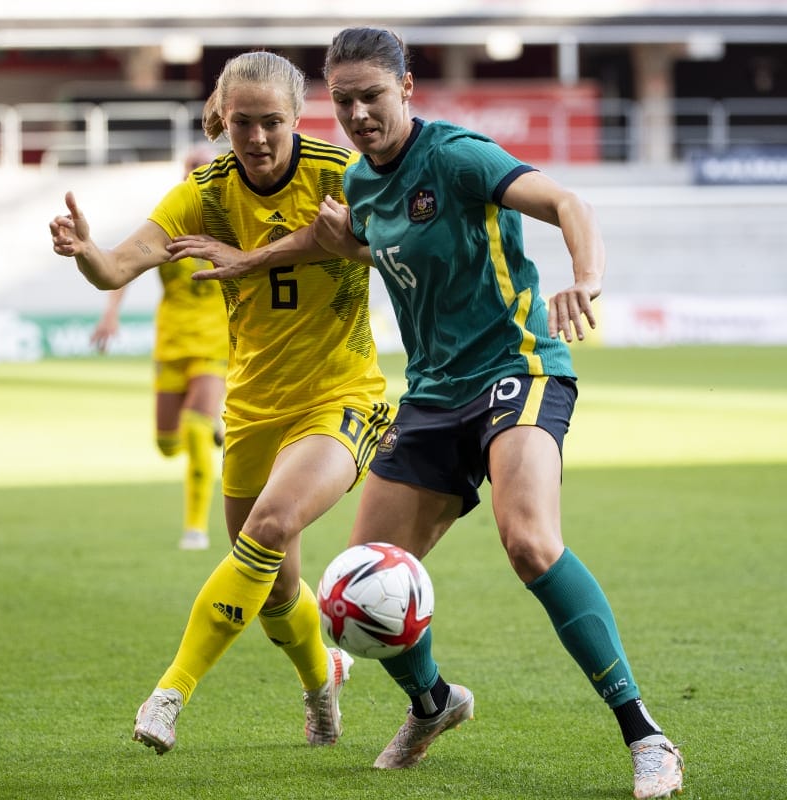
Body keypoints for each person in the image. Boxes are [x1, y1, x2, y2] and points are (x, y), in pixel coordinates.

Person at [179, 27, 685, 800]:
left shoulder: (456, 156)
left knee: (529, 542)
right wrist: (250, 261)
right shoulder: (360, 183)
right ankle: (433, 703)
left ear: (407, 89)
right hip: (433, 395)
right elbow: (351, 246)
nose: (358, 115)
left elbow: (566, 201)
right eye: (343, 101)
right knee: (354, 584)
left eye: (372, 97)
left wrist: (586, 278)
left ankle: (646, 735)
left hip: (516, 368)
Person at [49, 50, 392, 754]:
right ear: (223, 120)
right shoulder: (203, 194)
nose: (257, 138)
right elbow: (116, 267)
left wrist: (351, 246)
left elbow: (402, 251)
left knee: (269, 527)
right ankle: (322, 679)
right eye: (242, 123)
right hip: (253, 408)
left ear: (297, 117)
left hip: (340, 396)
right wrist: (86, 251)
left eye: (272, 122)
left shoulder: (343, 175)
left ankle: (169, 693)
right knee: (274, 589)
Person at [91, 147, 227, 551]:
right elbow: (127, 266)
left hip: (214, 343)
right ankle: (212, 427)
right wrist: (110, 313)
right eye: (191, 168)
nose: (196, 174)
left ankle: (195, 529)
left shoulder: (230, 220)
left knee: (195, 428)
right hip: (171, 341)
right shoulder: (168, 222)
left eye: (203, 168)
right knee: (167, 445)